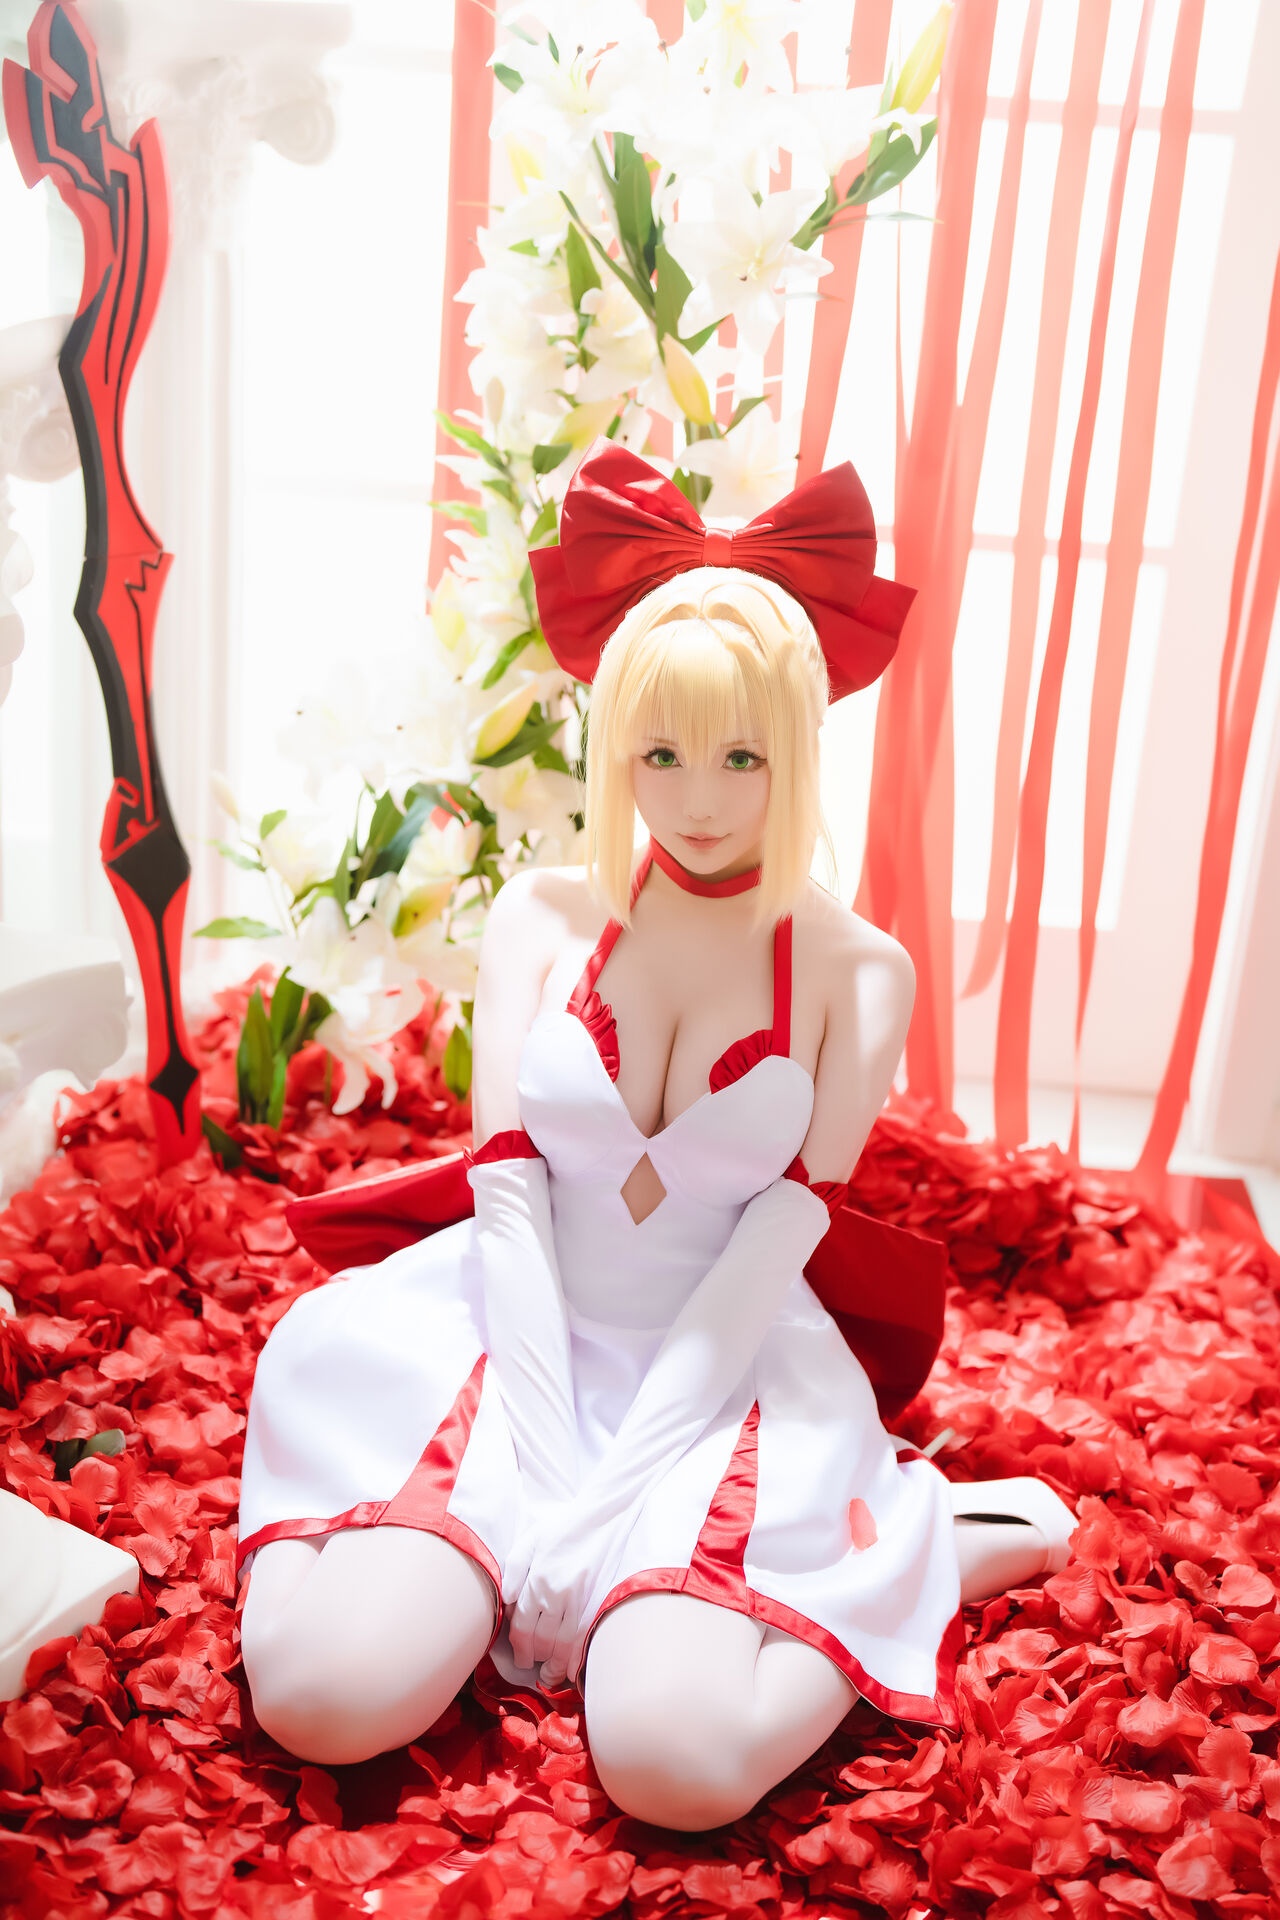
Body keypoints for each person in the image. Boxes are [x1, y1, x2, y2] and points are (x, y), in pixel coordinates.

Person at [235, 442, 1076, 1830]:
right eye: (661, 754)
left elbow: (765, 1256)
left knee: (674, 1770)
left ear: (799, 750)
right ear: (614, 746)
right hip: (504, 1329)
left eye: (744, 757)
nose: (699, 800)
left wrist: (611, 1491)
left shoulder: (858, 974)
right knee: (323, 1697)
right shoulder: (541, 918)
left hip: (729, 1367)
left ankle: (924, 1540)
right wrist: (544, 1457)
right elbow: (510, 1203)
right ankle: (437, 1555)